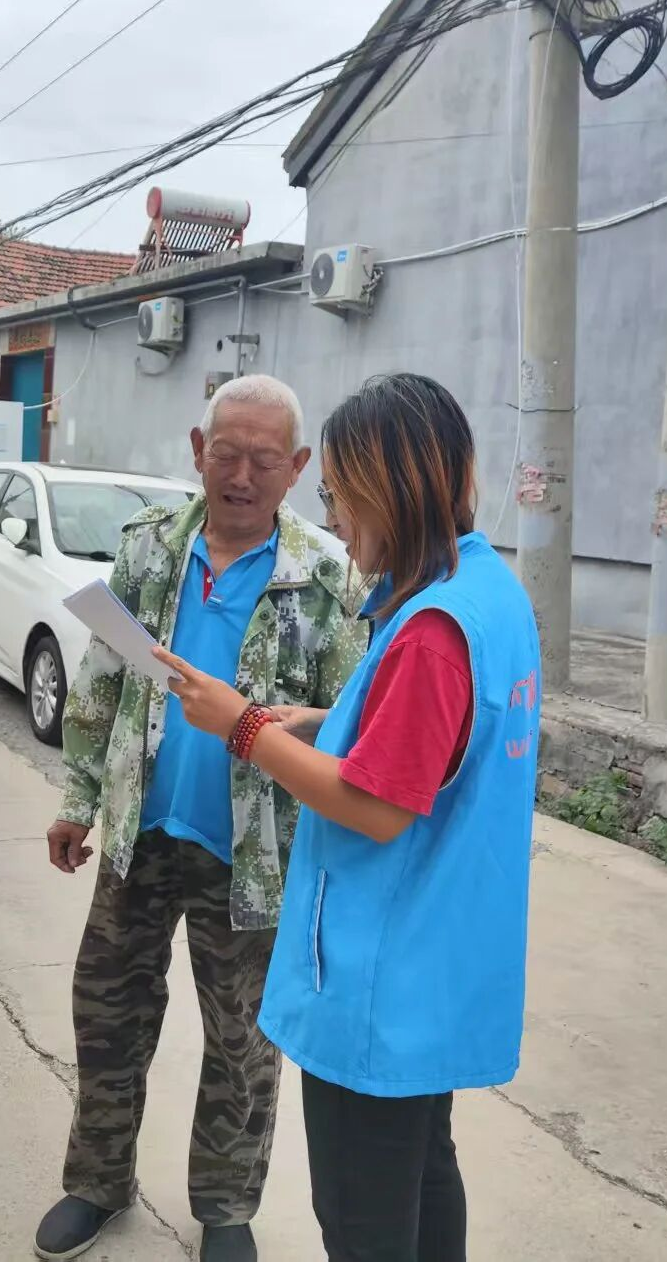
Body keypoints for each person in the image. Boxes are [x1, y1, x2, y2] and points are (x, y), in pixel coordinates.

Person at [156, 373, 541, 1262]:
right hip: (441, 965)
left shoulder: (432, 629)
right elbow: (444, 740)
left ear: (386, 488)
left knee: (363, 1219)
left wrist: (244, 726)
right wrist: (329, 722)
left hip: (382, 980)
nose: (333, 519)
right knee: (425, 1169)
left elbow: (377, 805)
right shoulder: (489, 591)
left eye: (336, 494)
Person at [37, 374, 365, 1262]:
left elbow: (349, 721)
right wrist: (78, 801)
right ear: (197, 451)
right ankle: (97, 1182)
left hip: (252, 854)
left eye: (264, 458)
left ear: (297, 466)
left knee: (242, 1040)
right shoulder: (150, 549)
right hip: (139, 832)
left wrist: (290, 723)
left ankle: (226, 1208)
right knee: (107, 1013)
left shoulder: (327, 575)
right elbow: (101, 682)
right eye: (226, 453)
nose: (242, 475)